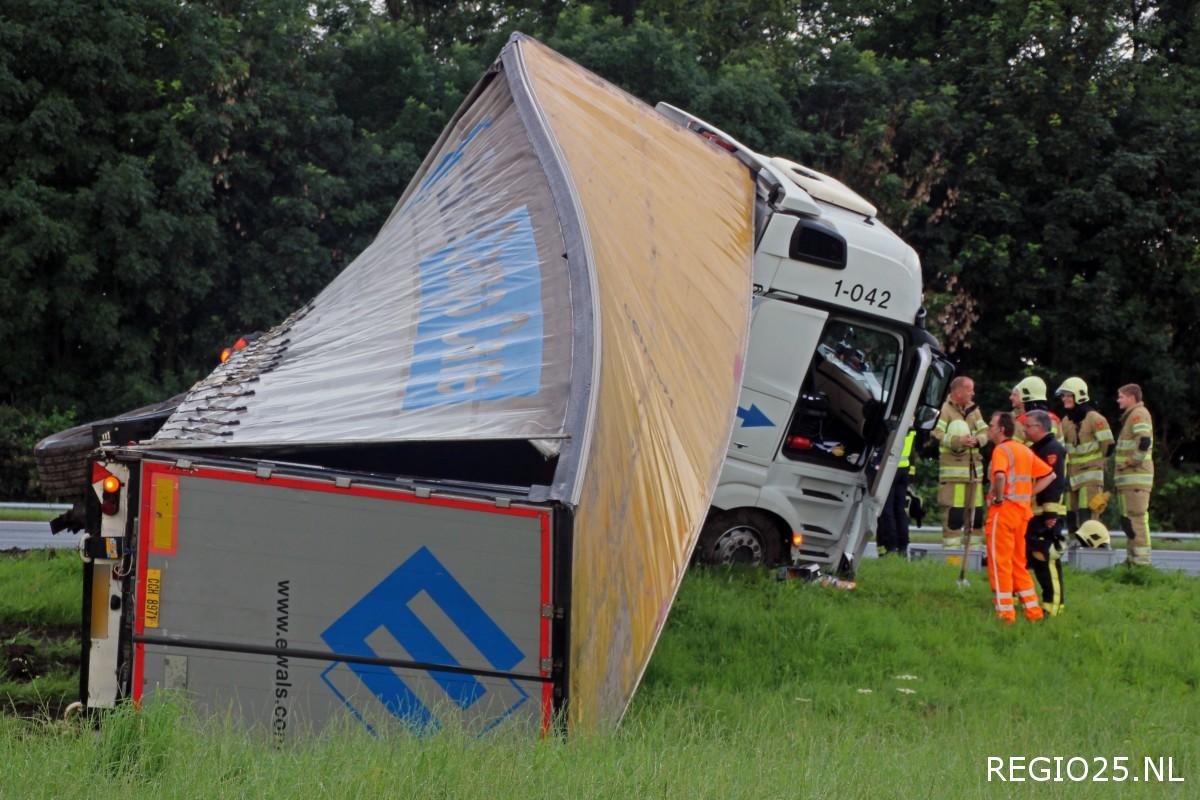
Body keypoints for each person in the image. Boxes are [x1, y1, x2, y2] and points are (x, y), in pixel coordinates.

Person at [984, 411, 1056, 624]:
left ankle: (1005, 614)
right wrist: (1028, 494)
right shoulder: (1023, 450)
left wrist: (998, 497)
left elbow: (999, 475)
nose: (988, 428)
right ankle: (1034, 613)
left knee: (1000, 563)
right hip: (1022, 513)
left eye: (991, 425)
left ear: (1001, 429)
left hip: (1003, 513)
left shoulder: (1002, 450)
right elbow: (1050, 475)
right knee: (1018, 563)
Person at [931, 376, 988, 548]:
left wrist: (978, 440)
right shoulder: (944, 409)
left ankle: (974, 557)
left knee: (976, 516)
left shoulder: (974, 410)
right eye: (970, 389)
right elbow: (936, 433)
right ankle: (952, 557)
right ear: (958, 392)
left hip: (975, 474)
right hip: (954, 475)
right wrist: (957, 441)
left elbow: (986, 431)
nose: (973, 393)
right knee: (954, 516)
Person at [1022, 410, 1068, 615]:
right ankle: (1046, 603)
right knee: (1036, 559)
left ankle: (1055, 606)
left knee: (1046, 560)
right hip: (1034, 513)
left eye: (1028, 426)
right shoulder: (1036, 448)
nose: (1024, 429)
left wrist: (1051, 515)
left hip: (1046, 515)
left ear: (1039, 427)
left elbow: (1054, 483)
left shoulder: (1053, 449)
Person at [1055, 377, 1114, 536]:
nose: (1064, 399)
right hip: (1072, 476)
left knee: (1088, 511)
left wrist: (1098, 465)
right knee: (1071, 513)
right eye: (1063, 395)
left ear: (1079, 395)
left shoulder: (1095, 419)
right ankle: (1075, 545)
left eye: (1068, 395)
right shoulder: (1066, 421)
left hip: (1091, 475)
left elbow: (1108, 445)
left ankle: (1091, 548)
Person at [1115, 383, 1154, 566]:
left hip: (1136, 478)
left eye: (1121, 397)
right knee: (1129, 522)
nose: (1118, 400)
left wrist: (1132, 461)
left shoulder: (1138, 414)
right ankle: (1132, 561)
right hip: (1129, 481)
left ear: (1131, 398)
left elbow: (1144, 441)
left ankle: (1141, 564)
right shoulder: (1132, 416)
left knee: (1136, 520)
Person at [877, 429, 916, 556]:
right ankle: (903, 546)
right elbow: (913, 453)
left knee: (886, 510)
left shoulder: (895, 424)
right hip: (904, 470)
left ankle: (890, 546)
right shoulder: (911, 427)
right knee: (900, 510)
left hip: (890, 468)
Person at [1010, 376, 1062, 444]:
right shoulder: (1055, 420)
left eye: (1015, 394)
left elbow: (1013, 451)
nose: (1010, 397)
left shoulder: (1021, 422)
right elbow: (1061, 450)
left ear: (1026, 397)